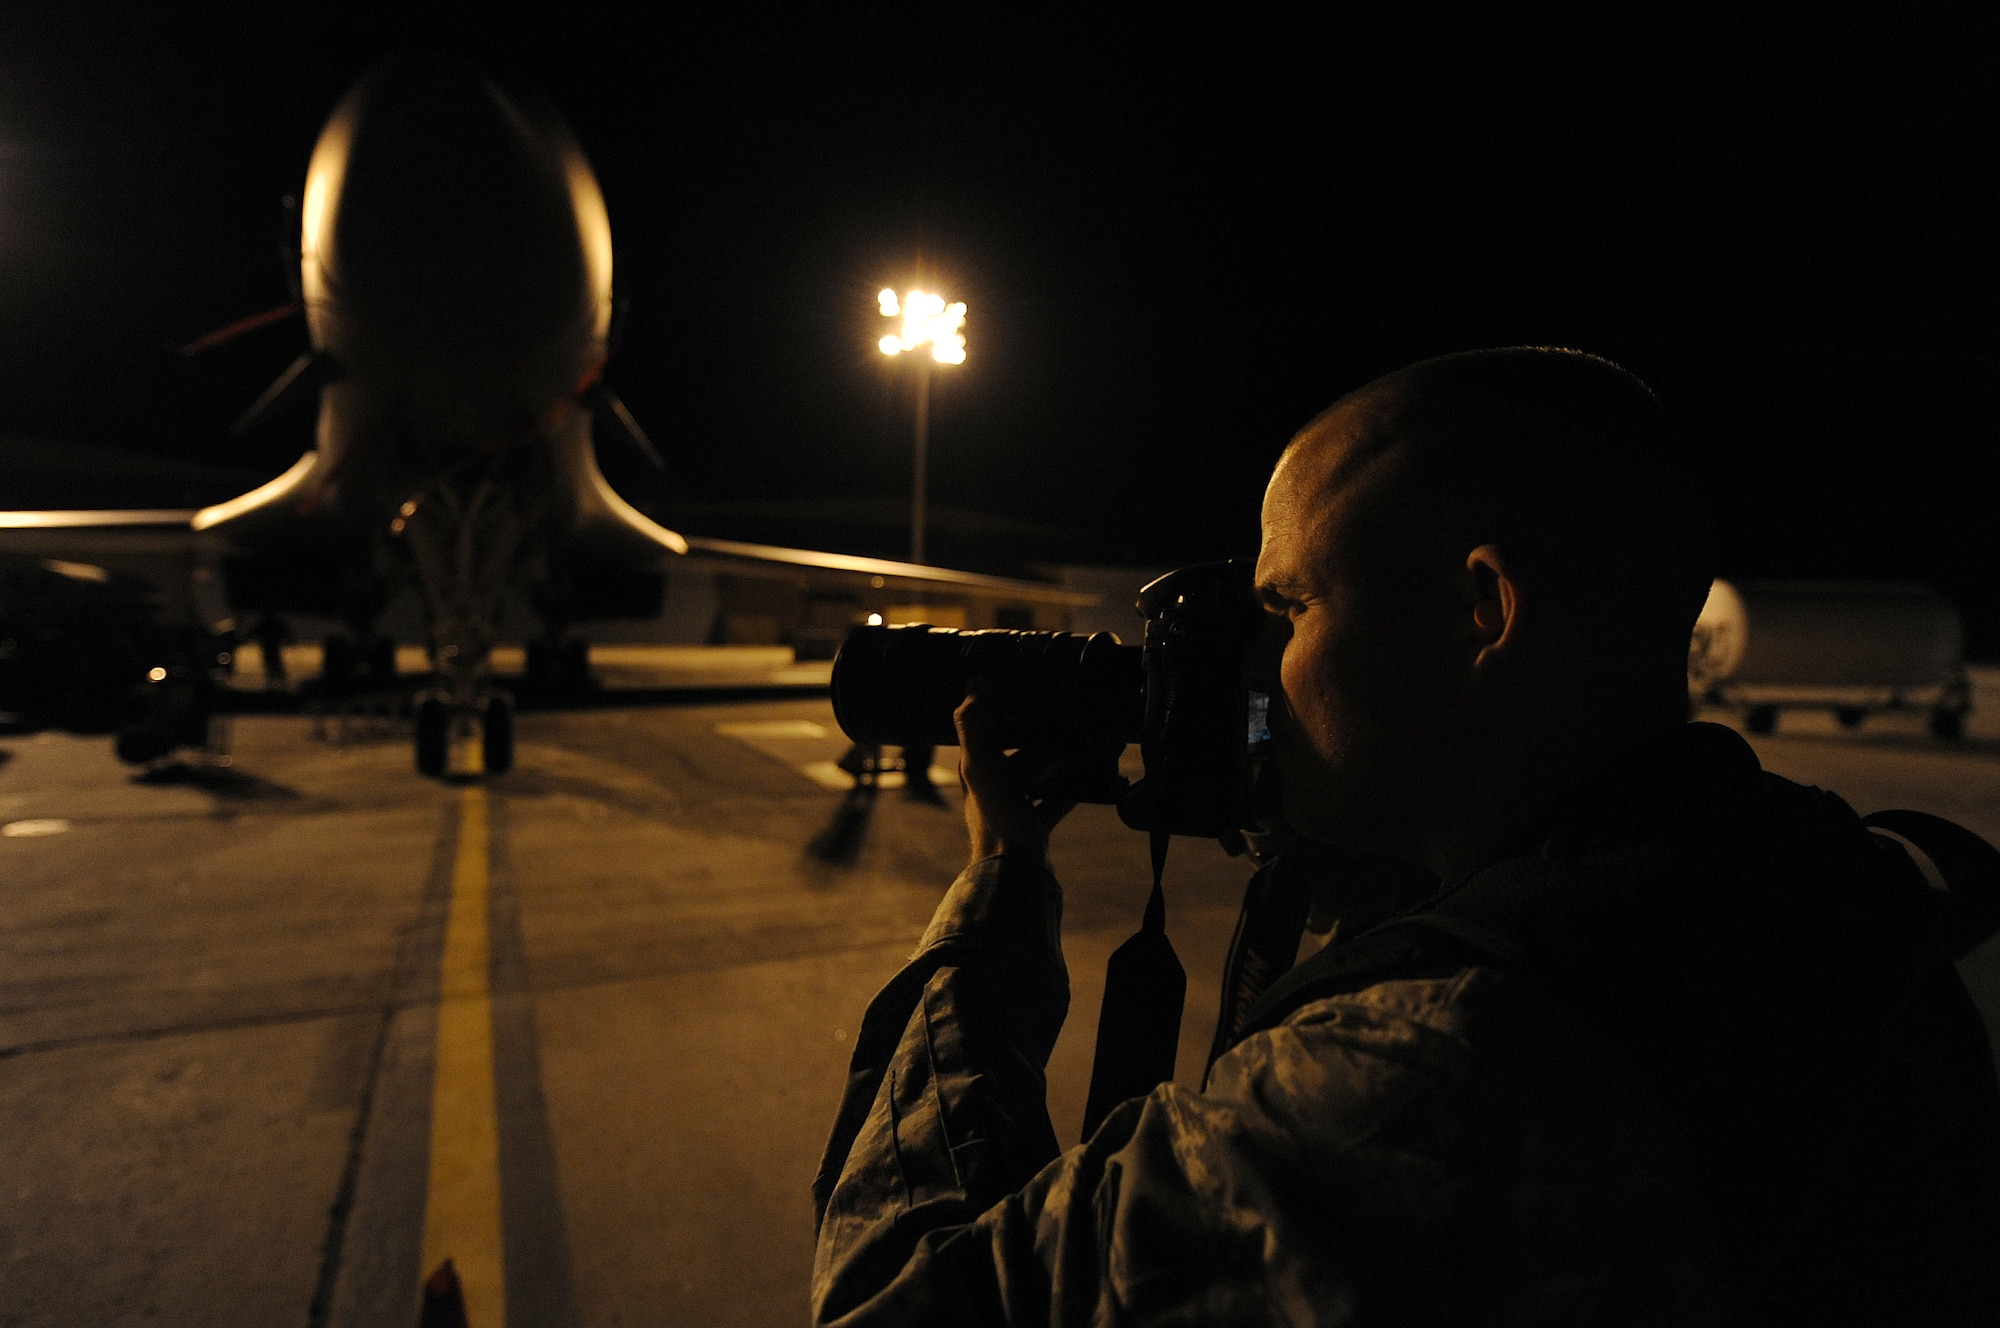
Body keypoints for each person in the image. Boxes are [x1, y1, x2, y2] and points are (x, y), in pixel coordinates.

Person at [810, 348, 2000, 1324]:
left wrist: (999, 896)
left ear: (1480, 610)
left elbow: (899, 1296)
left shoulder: (1428, 1065)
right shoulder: (1838, 881)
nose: (1257, 668)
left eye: (1289, 608)